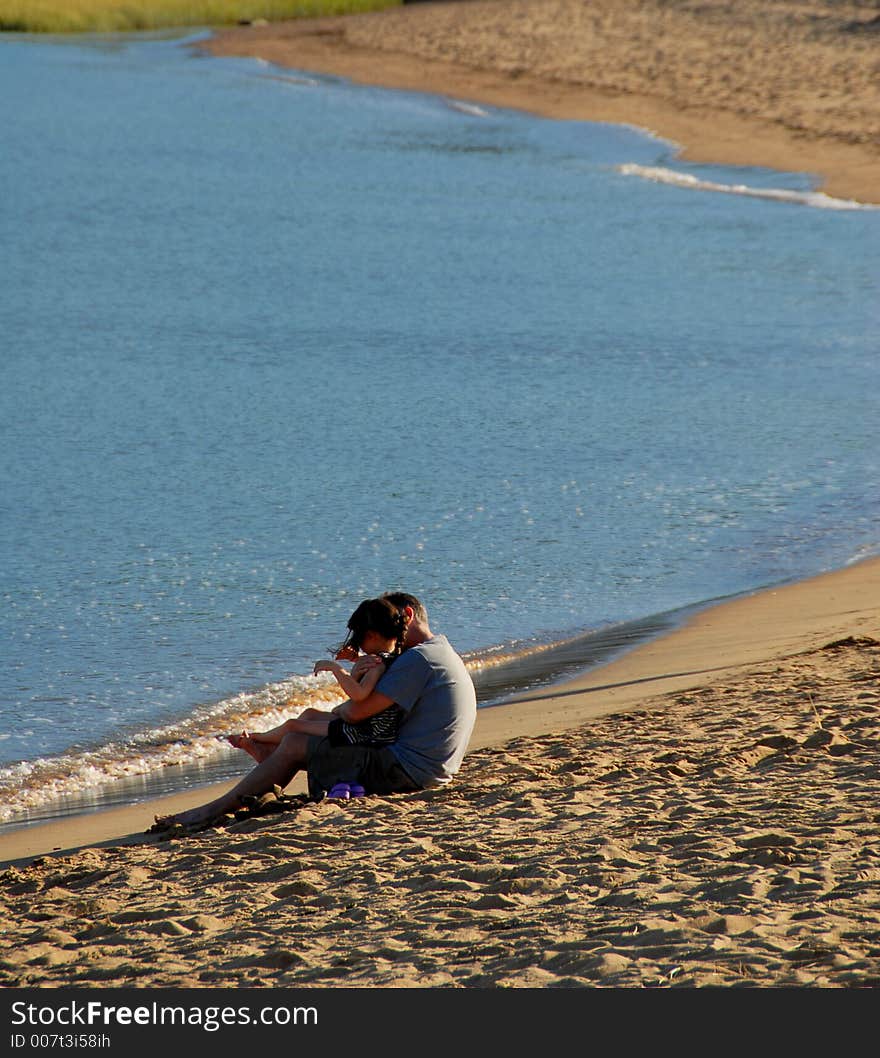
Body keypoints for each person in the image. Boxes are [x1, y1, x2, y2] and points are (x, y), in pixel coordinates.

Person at [155, 591, 477, 828]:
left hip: (407, 771)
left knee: (297, 741)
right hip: (424, 766)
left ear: (406, 616)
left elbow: (355, 714)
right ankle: (272, 761)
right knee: (310, 723)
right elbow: (364, 713)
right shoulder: (437, 652)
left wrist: (348, 677)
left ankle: (214, 809)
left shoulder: (417, 660)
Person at [227, 597, 407, 760]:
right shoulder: (391, 657)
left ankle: (256, 738)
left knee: (292, 725)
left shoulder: (378, 663)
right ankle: (270, 752)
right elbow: (362, 693)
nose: (359, 647)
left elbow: (359, 695)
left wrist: (336, 669)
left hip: (367, 734)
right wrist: (356, 671)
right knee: (309, 714)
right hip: (370, 728)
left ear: (371, 635)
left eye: (359, 640)